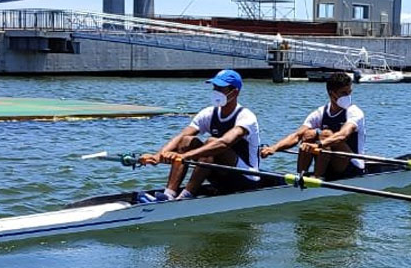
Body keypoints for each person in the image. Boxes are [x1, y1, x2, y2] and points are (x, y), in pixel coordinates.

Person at [137, 69, 261, 201]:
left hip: (246, 179)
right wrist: (158, 156)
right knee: (186, 141)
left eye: (220, 88)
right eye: (215, 87)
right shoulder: (208, 113)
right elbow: (181, 136)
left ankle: (186, 197)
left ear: (234, 92)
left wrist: (183, 156)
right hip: (218, 173)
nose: (216, 91)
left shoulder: (246, 117)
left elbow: (224, 143)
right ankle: (169, 194)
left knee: (212, 142)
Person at [260, 71, 366, 180]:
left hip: (352, 165)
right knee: (307, 135)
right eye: (344, 93)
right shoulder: (320, 113)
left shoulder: (354, 112)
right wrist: (273, 148)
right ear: (332, 93)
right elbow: (297, 136)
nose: (348, 97)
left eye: (349, 92)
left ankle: (316, 177)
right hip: (330, 162)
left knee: (325, 134)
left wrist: (319, 145)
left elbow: (342, 135)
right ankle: (301, 176)